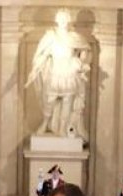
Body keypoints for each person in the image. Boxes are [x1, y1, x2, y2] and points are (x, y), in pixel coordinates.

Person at [25, 8, 91, 138]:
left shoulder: (74, 37)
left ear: (68, 20)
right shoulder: (50, 36)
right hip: (55, 73)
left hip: (70, 73)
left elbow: (85, 49)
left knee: (68, 102)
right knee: (49, 100)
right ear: (56, 20)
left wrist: (81, 63)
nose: (63, 21)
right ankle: (45, 124)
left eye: (65, 18)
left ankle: (62, 128)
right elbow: (42, 55)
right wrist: (35, 69)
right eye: (60, 18)